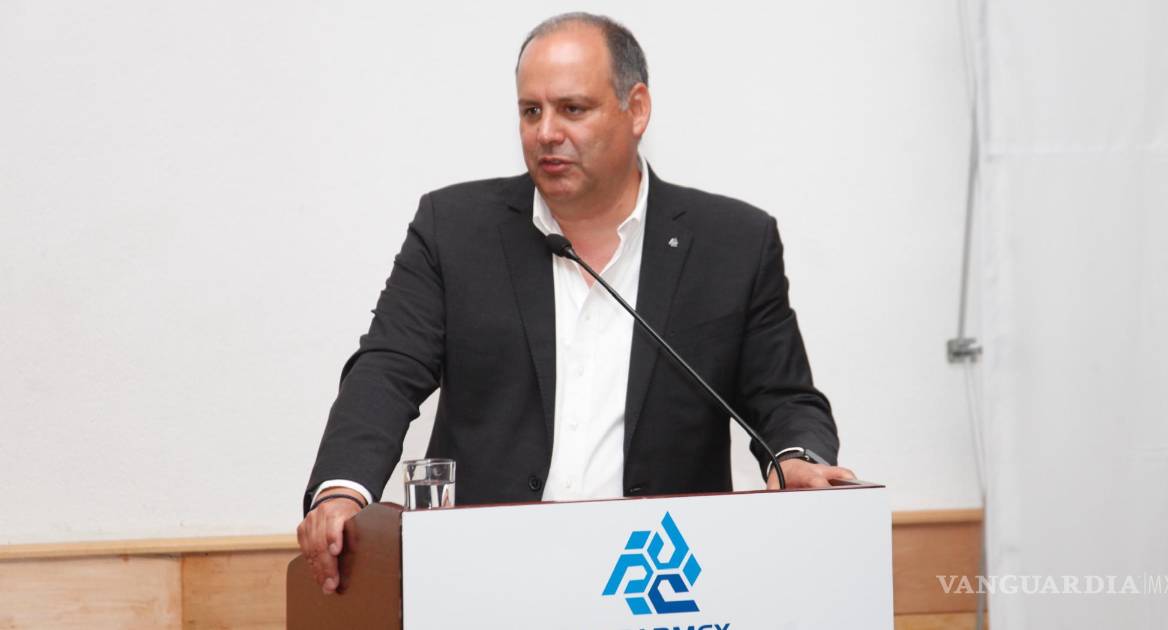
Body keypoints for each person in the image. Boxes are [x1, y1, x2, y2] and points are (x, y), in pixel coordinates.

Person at [297, 12, 855, 594]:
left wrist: (795, 458)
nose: (546, 132)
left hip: (660, 583)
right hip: (487, 577)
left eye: (572, 108)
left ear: (636, 109)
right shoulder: (454, 229)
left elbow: (783, 396)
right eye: (530, 111)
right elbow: (387, 369)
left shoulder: (732, 243)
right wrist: (342, 490)